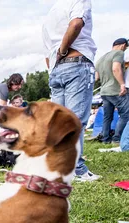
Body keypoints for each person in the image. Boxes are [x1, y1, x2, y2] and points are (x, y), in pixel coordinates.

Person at [42, 0, 99, 182]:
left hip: (56, 70)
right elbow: (76, 23)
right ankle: (77, 169)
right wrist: (64, 49)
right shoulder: (78, 1)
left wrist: (55, 64)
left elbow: (46, 54)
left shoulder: (52, 12)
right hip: (76, 62)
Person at [95, 38, 128, 144]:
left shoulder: (101, 58)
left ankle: (105, 139)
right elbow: (116, 68)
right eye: (126, 47)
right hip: (115, 90)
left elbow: (96, 77)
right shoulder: (118, 53)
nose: (125, 49)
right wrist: (122, 84)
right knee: (126, 114)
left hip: (104, 91)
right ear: (123, 45)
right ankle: (117, 138)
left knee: (107, 117)